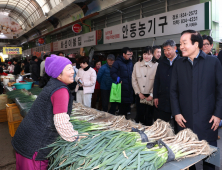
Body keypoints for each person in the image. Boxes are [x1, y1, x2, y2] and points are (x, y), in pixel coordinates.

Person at [12, 55, 86, 170]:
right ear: (58, 73)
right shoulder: (60, 90)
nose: (73, 72)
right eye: (68, 69)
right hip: (34, 147)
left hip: (25, 140)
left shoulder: (53, 84)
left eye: (72, 67)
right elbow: (61, 122)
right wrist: (75, 137)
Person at [170, 30, 222, 170]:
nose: (180, 47)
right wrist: (176, 113)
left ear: (196, 44)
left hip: (208, 120)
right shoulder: (178, 64)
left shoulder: (213, 62)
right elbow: (173, 90)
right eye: (180, 43)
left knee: (210, 160)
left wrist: (218, 114)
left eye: (184, 43)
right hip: (184, 120)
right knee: (187, 159)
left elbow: (220, 90)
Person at [153, 40, 181, 125]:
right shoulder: (161, 63)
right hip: (163, 98)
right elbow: (157, 80)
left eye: (168, 49)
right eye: (164, 50)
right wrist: (155, 96)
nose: (166, 52)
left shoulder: (182, 62)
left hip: (178, 99)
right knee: (162, 124)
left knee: (178, 126)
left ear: (175, 48)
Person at [132, 46, 158, 126]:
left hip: (151, 95)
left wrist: (152, 95)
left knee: (149, 116)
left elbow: (158, 82)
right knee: (139, 115)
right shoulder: (137, 65)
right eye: (144, 54)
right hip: (140, 95)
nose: (146, 56)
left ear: (152, 55)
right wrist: (138, 93)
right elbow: (134, 79)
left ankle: (148, 135)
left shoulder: (156, 65)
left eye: (149, 54)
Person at [110, 47, 134, 118]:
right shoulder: (117, 62)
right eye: (128, 54)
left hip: (129, 88)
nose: (130, 56)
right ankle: (121, 123)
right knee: (122, 109)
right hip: (121, 88)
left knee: (127, 108)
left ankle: (125, 121)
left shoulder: (130, 63)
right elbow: (112, 73)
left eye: (131, 54)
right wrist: (119, 80)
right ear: (123, 54)